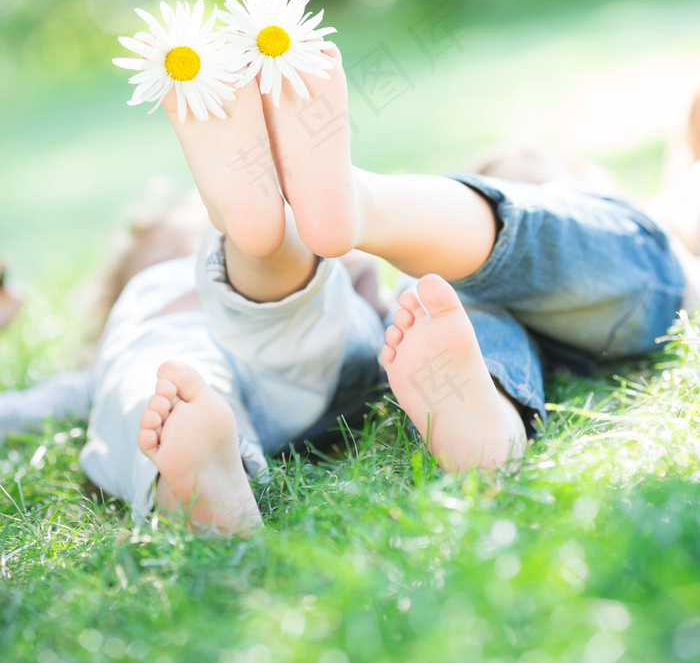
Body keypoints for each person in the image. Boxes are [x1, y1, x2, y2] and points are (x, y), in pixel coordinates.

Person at [67, 41, 686, 537]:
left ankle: (281, 234)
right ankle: (292, 232)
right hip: (314, 347)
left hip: (300, 338)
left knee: (435, 297)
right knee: (427, 295)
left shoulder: (145, 322)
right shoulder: (638, 215)